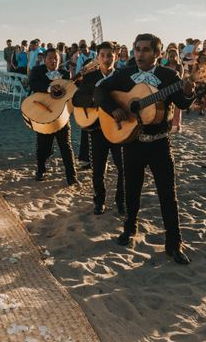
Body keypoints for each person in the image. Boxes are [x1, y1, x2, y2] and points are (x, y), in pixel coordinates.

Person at [94, 33, 194, 265]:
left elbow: (183, 103)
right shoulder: (125, 73)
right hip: (133, 142)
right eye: (137, 49)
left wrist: (188, 91)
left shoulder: (169, 75)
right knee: (132, 190)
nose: (140, 54)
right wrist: (113, 109)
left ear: (158, 53)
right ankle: (130, 228)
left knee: (168, 194)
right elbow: (100, 92)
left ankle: (174, 242)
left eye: (146, 50)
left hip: (159, 142)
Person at [72, 41, 125, 215]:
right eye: (103, 55)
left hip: (119, 128)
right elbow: (76, 100)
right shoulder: (90, 78)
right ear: (97, 57)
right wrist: (96, 101)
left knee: (122, 166)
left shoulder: (123, 77)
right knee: (98, 167)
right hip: (97, 128)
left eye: (110, 55)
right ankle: (99, 200)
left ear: (115, 56)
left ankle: (120, 200)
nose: (106, 58)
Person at [29, 48, 79, 186]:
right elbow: (33, 84)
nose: (54, 60)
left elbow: (69, 93)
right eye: (50, 58)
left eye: (56, 58)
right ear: (45, 59)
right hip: (43, 112)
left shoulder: (65, 73)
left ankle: (72, 176)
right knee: (42, 145)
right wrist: (48, 88)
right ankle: (41, 170)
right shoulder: (37, 71)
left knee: (66, 145)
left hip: (61, 115)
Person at [163, 47, 184, 133]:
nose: (172, 58)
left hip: (177, 87)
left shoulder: (179, 66)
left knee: (177, 108)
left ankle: (176, 125)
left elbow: (181, 78)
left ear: (177, 56)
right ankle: (168, 124)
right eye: (170, 56)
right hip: (167, 88)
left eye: (174, 56)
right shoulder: (165, 66)